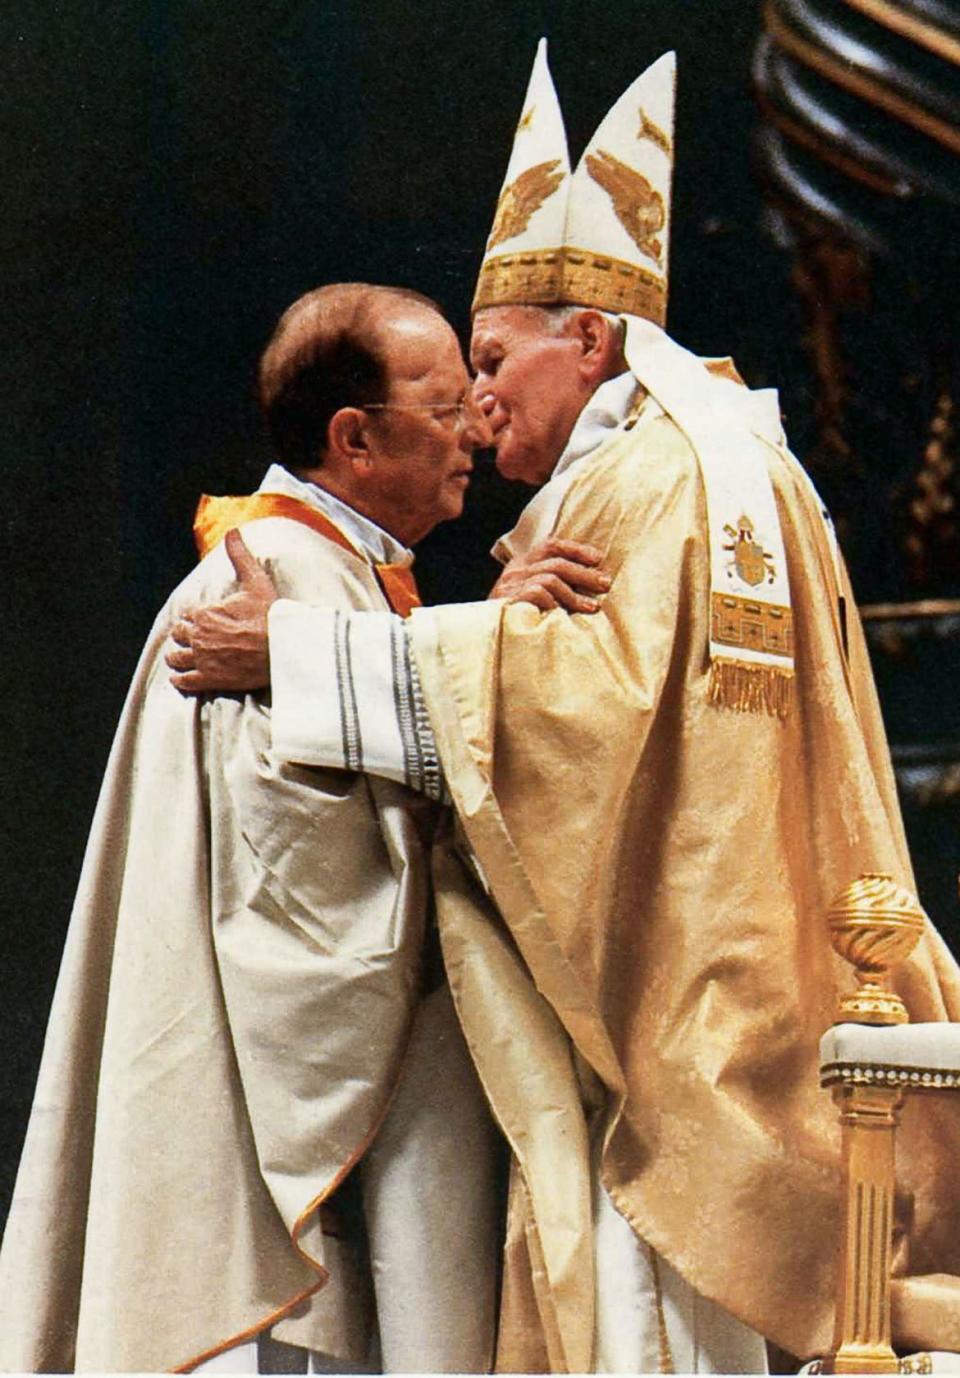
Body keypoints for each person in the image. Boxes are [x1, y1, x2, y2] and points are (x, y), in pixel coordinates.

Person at [167, 47, 960, 1374]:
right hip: (743, 976)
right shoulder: (714, 458)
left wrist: (306, 657)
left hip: (684, 1020)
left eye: (489, 361)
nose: (475, 404)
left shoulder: (654, 483)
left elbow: (581, 714)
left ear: (586, 340)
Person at [0, 281, 608, 1375]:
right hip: (283, 1126)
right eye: (441, 403)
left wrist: (490, 642)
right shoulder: (261, 586)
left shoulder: (347, 576)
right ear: (353, 437)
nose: (475, 422)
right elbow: (301, 885)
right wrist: (500, 652)